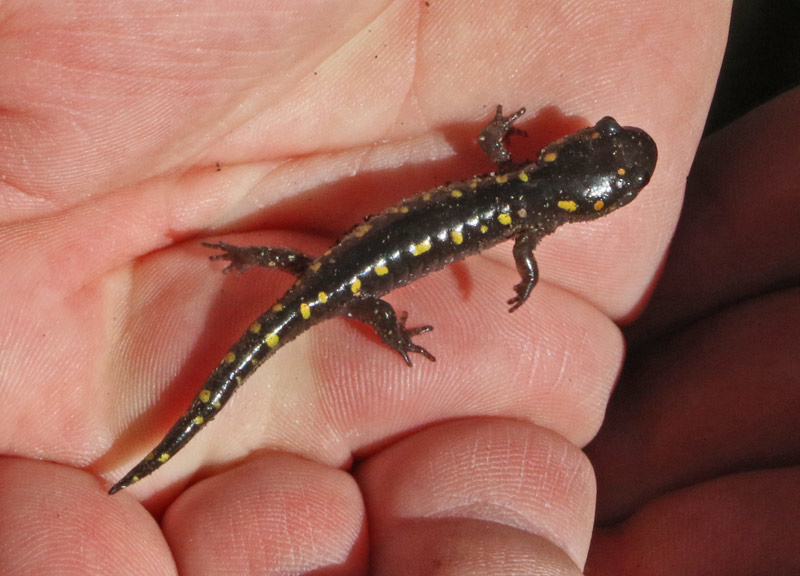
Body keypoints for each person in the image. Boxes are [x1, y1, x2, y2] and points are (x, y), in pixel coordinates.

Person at [2, 2, 796, 574]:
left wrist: (501, 142)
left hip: (342, 269)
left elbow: (490, 147)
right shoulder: (531, 223)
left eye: (613, 169)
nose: (612, 151)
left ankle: (246, 280)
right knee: (324, 304)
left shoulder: (522, 180)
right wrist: (482, 297)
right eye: (612, 159)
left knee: (313, 293)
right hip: (348, 280)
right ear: (573, 191)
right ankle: (219, 360)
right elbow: (520, 253)